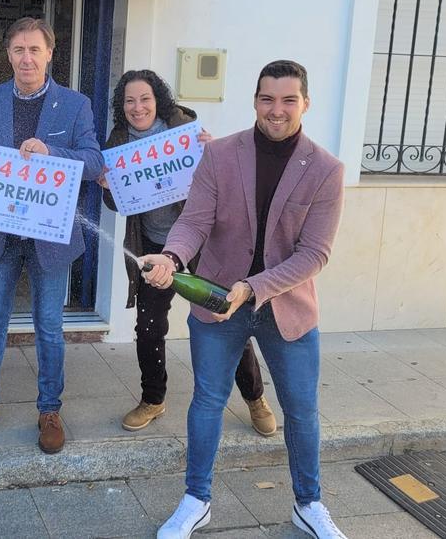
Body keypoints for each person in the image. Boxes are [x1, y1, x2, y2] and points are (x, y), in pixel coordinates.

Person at [140, 60, 347, 539]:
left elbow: (315, 254)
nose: (277, 110)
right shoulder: (221, 155)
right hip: (217, 301)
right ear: (254, 101)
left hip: (287, 310)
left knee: (300, 410)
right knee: (207, 400)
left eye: (288, 100)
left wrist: (254, 287)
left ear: (306, 104)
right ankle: (196, 500)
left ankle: (308, 504)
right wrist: (172, 256)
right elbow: (195, 220)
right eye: (267, 99)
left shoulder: (326, 170)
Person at [0, 17, 102, 455]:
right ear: (8, 55)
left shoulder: (75, 104)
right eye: (18, 50)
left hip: (51, 236)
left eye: (35, 50)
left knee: (49, 327)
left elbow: (93, 162)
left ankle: (49, 409)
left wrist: (53, 152)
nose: (26, 58)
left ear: (51, 54)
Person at [99, 70, 276, 436]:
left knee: (226, 319)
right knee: (148, 328)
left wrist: (215, 155)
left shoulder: (185, 130)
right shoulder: (117, 140)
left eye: (145, 99)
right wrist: (108, 184)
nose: (137, 107)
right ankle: (153, 399)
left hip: (201, 245)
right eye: (129, 101)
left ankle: (255, 398)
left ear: (158, 100)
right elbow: (116, 202)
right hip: (151, 247)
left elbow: (223, 180)